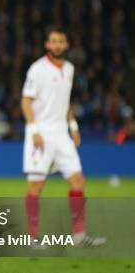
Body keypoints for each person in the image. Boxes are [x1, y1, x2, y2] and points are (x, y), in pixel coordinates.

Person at [21, 26, 106, 248]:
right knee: (36, 187)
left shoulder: (69, 68)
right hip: (41, 133)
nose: (57, 44)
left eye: (61, 41)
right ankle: (33, 238)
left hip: (62, 134)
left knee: (78, 180)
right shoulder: (37, 69)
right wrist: (34, 131)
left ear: (66, 45)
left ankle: (79, 235)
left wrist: (73, 125)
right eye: (53, 41)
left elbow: (65, 101)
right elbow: (26, 101)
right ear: (47, 45)